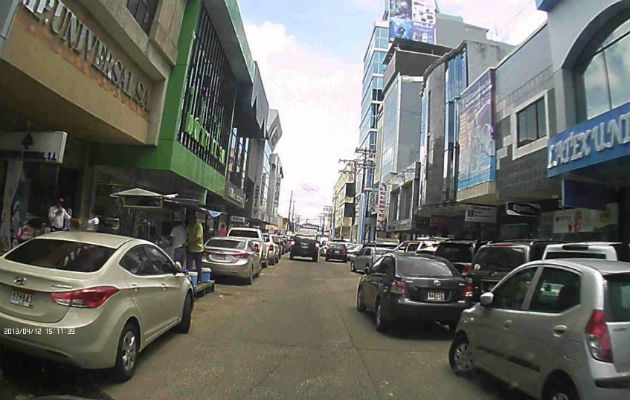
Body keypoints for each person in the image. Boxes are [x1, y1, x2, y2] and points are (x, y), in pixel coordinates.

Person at [184, 213, 204, 278]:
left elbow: (198, 237)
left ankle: (199, 279)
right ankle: (189, 279)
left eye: (191, 219)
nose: (190, 221)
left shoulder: (198, 226)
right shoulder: (189, 226)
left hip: (198, 249)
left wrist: (188, 243)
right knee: (189, 266)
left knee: (198, 266)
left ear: (194, 220)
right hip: (190, 249)